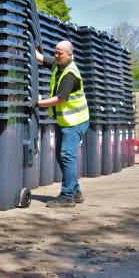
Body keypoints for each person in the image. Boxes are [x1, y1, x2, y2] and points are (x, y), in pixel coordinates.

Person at [35, 41, 89, 208]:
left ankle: (67, 196)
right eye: (56, 52)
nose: (57, 56)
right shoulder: (59, 64)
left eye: (60, 53)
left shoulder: (70, 74)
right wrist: (31, 45)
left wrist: (38, 103)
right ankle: (75, 192)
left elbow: (60, 99)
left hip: (76, 122)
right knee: (61, 155)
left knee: (66, 155)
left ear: (70, 55)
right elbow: (42, 59)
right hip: (65, 121)